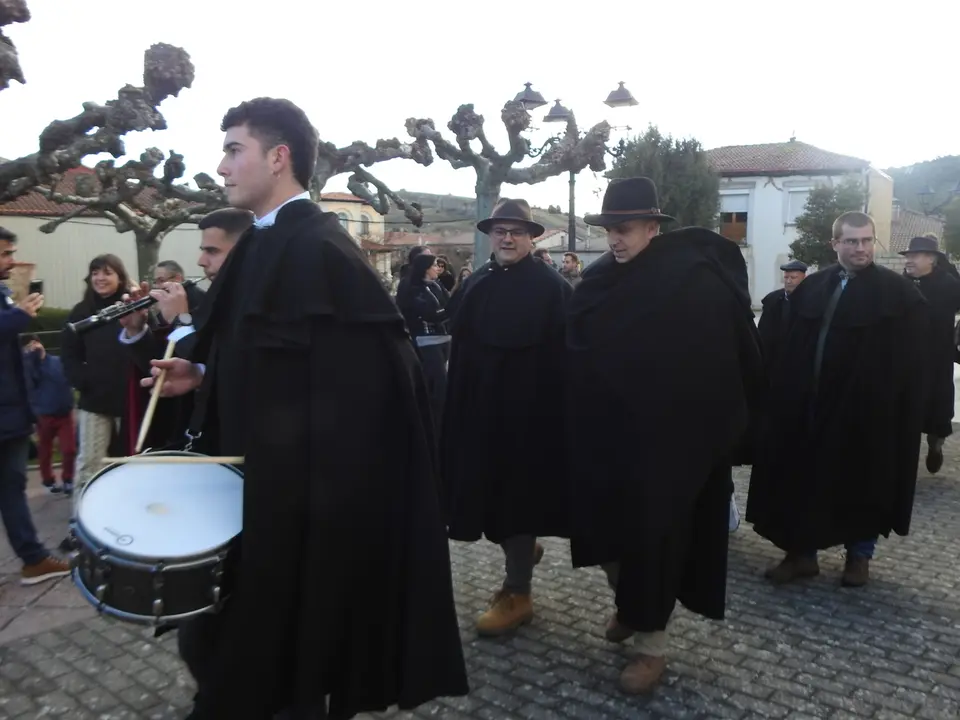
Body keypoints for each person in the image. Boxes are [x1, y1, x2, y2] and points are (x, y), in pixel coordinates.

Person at [140, 97, 467, 719]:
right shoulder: (264, 243)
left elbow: (368, 384)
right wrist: (202, 372)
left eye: (235, 149)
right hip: (258, 493)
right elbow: (271, 357)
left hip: (303, 509)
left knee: (293, 654)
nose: (223, 165)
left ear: (278, 157)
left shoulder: (319, 249)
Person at [567, 177, 763, 694]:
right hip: (609, 437)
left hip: (673, 446)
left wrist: (710, 430)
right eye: (609, 229)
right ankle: (630, 607)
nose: (615, 239)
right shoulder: (599, 280)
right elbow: (576, 351)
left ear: (653, 227)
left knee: (656, 542)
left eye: (625, 228)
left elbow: (725, 358)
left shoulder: (692, 280)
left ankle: (651, 645)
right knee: (601, 531)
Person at [747, 212, 928, 588]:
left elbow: (910, 362)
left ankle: (858, 557)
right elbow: (788, 346)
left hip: (866, 413)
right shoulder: (812, 288)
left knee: (863, 480)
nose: (860, 248)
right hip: (809, 408)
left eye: (866, 241)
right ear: (836, 244)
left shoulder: (898, 294)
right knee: (802, 479)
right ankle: (801, 555)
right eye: (852, 241)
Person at [441, 198, 572, 637]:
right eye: (500, 231)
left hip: (528, 423)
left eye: (517, 231)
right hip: (480, 416)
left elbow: (566, 361)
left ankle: (518, 593)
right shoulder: (478, 281)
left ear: (532, 237)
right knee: (487, 502)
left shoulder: (552, 289)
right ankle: (523, 550)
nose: (508, 238)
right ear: (490, 236)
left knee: (515, 505)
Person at [0, 227, 72, 584]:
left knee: (12, 487)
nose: (12, 261)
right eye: (5, 254)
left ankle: (33, 559)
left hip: (11, 412)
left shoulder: (2, 293)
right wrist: (18, 317)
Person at [59, 254, 136, 494]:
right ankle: (81, 520)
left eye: (107, 273)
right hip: (95, 398)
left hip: (130, 397)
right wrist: (81, 380)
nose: (100, 278)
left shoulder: (132, 307)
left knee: (130, 460)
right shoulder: (81, 312)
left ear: (120, 277)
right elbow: (68, 353)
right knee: (90, 461)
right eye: (95, 273)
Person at [900, 235, 960, 473]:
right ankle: (904, 461)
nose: (909, 260)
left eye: (915, 256)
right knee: (904, 413)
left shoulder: (950, 285)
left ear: (932, 259)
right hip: (905, 363)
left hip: (937, 361)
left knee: (936, 415)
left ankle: (935, 447)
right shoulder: (899, 285)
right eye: (908, 256)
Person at [395, 253, 451, 429]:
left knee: (443, 383)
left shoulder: (437, 285)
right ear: (425, 268)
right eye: (435, 265)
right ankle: (433, 424)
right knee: (438, 385)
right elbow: (431, 315)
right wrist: (450, 311)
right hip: (427, 340)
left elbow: (447, 306)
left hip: (444, 339)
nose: (438, 269)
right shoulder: (415, 290)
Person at [22, 335, 76, 494]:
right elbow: (28, 385)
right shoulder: (28, 367)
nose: (34, 348)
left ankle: (68, 479)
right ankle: (48, 481)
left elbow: (70, 380)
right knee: (45, 452)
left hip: (64, 414)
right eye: (28, 347)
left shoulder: (58, 362)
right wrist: (30, 361)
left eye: (35, 344)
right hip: (43, 416)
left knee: (69, 450)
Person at [757, 259, 808, 373]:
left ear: (804, 278)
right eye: (786, 277)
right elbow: (763, 331)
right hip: (774, 361)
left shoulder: (812, 300)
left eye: (793, 278)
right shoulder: (772, 299)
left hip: (800, 361)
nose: (789, 281)